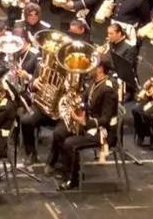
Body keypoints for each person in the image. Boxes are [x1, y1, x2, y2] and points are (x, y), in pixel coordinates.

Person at [49, 58, 118, 190]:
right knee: (59, 133)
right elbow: (85, 101)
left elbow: (105, 119)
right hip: (88, 123)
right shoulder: (94, 83)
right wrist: (74, 103)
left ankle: (73, 178)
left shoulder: (107, 90)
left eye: (92, 65)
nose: (88, 68)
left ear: (100, 69)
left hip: (103, 132)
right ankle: (67, 169)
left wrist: (85, 122)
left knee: (70, 143)